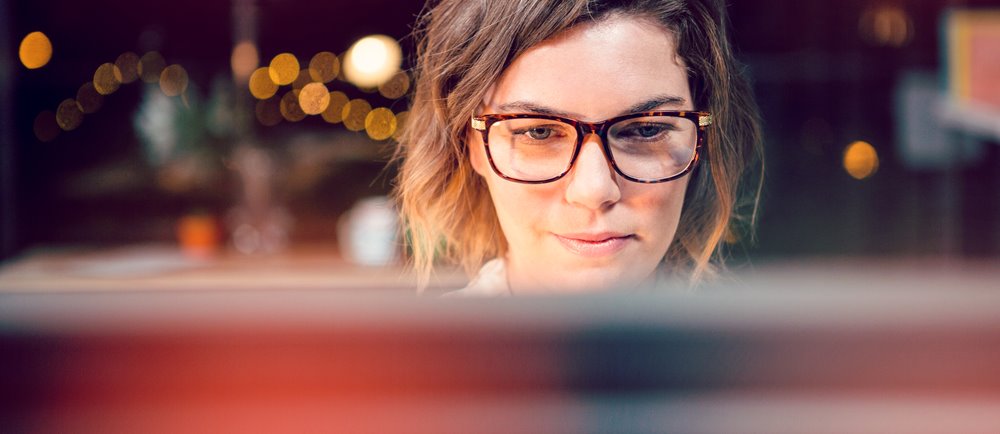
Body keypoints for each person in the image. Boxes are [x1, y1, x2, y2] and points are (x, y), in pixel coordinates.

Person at [394, 0, 762, 295]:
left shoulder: (773, 372)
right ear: (471, 144)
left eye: (647, 130)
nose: (594, 190)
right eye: (538, 133)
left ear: (702, 136)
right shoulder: (408, 379)